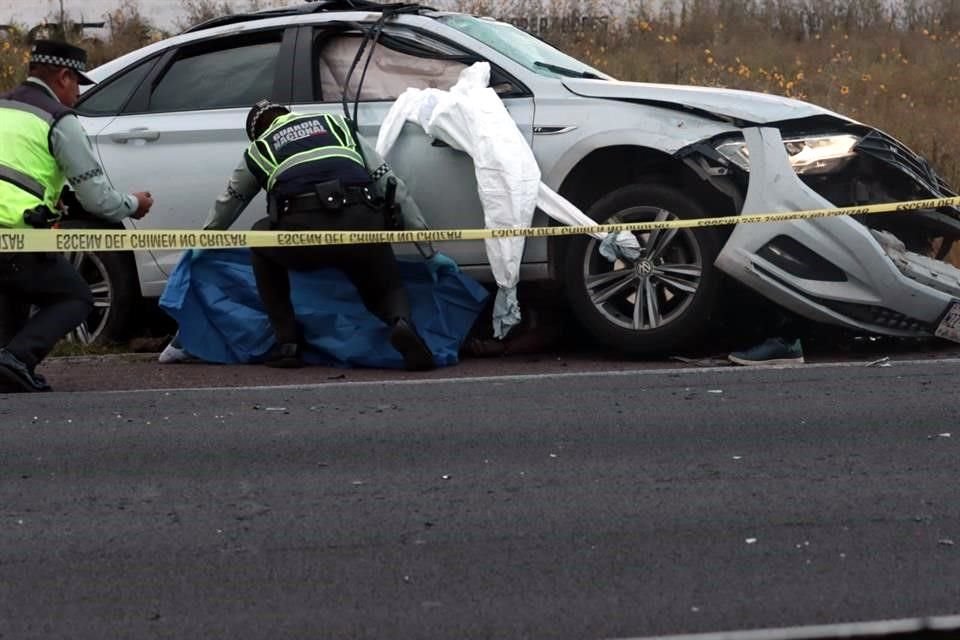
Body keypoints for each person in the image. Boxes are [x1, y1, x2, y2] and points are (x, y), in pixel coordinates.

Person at [195, 99, 451, 370]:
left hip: (303, 235)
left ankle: (287, 344)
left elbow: (231, 201)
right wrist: (428, 251)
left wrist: (204, 239)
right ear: (288, 114)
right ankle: (400, 321)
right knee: (381, 271)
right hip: (360, 221)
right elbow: (389, 182)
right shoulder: (336, 125)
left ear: (256, 131)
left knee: (259, 238)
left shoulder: (260, 147)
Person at [0, 40, 153, 393]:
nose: (78, 94)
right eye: (78, 84)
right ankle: (18, 359)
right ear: (64, 77)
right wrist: (134, 203)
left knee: (13, 291)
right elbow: (98, 199)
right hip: (16, 233)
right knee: (75, 297)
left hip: (10, 239)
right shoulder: (58, 119)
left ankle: (8, 365)